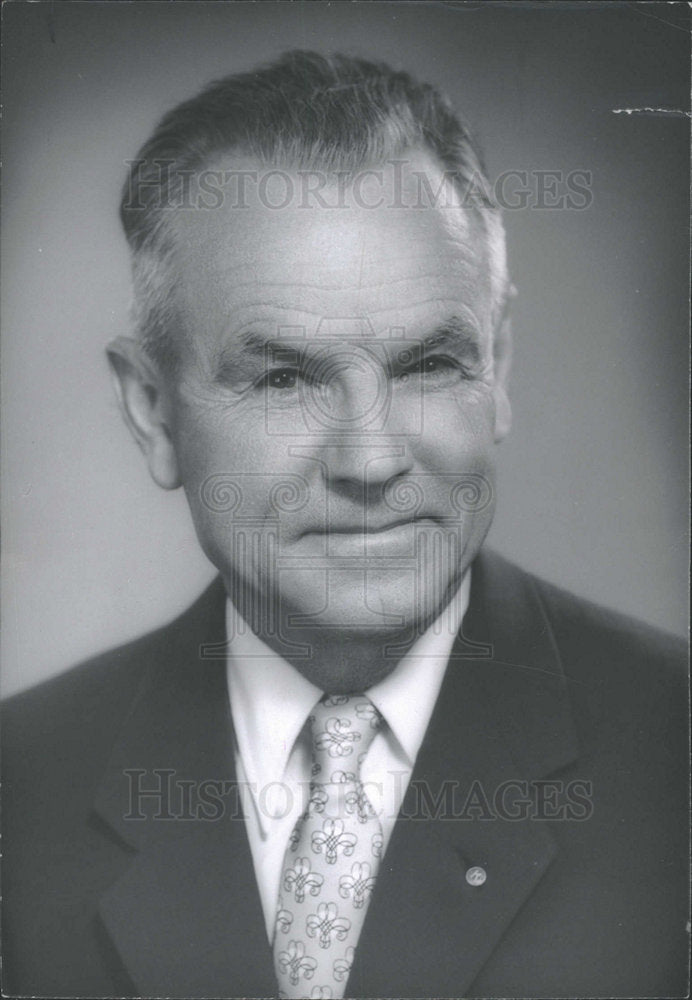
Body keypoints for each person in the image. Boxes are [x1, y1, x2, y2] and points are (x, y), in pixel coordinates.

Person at [2, 50, 687, 999]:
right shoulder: (18, 783)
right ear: (153, 411)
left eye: (430, 365)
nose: (371, 460)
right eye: (284, 380)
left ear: (500, 368)